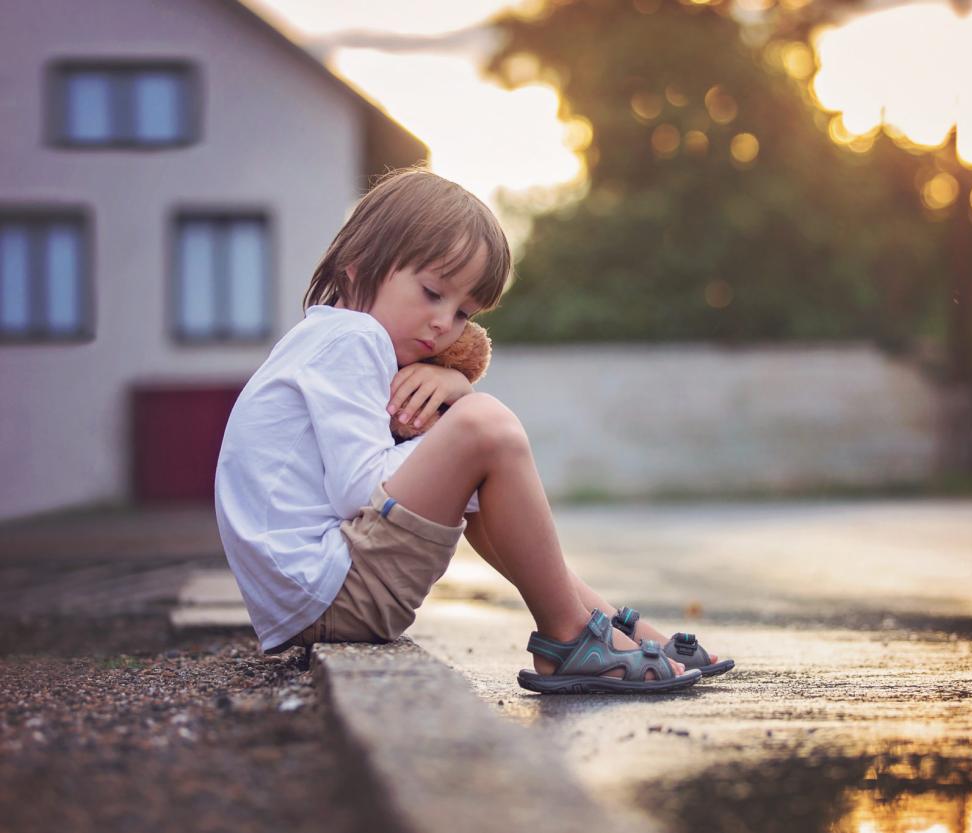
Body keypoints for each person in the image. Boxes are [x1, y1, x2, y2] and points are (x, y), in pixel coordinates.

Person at [214, 167, 726, 693]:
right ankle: (572, 638)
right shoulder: (352, 338)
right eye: (432, 292)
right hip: (328, 588)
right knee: (487, 425)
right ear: (357, 266)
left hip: (315, 599)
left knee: (480, 463)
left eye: (464, 313)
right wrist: (457, 418)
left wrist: (448, 420)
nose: (444, 325)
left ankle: (607, 623)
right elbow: (356, 490)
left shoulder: (329, 339)